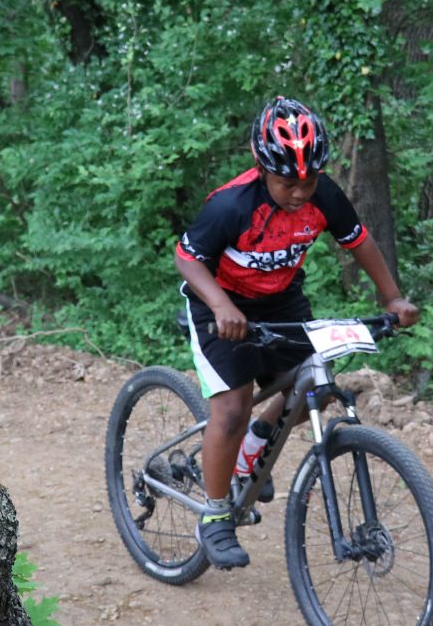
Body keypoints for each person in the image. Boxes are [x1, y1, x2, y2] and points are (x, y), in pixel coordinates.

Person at [173, 96, 419, 569]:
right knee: (231, 406)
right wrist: (222, 305)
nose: (301, 192)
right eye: (289, 182)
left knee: (316, 387)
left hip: (281, 301)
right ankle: (215, 514)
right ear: (263, 168)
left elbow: (359, 241)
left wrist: (392, 298)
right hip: (219, 303)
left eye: (309, 180)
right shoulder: (231, 205)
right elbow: (186, 257)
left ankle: (251, 452)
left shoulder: (324, 194)